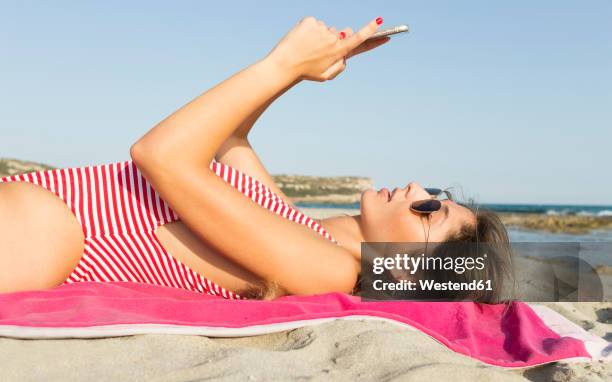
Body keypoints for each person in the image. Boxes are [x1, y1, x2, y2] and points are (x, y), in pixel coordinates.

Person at [0, 16, 510, 302]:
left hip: (43, 238)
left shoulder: (327, 269)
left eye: (430, 212)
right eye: (435, 196)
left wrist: (283, 63)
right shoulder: (292, 224)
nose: (418, 190)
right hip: (36, 222)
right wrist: (303, 72)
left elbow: (160, 155)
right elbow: (230, 139)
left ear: (403, 271)